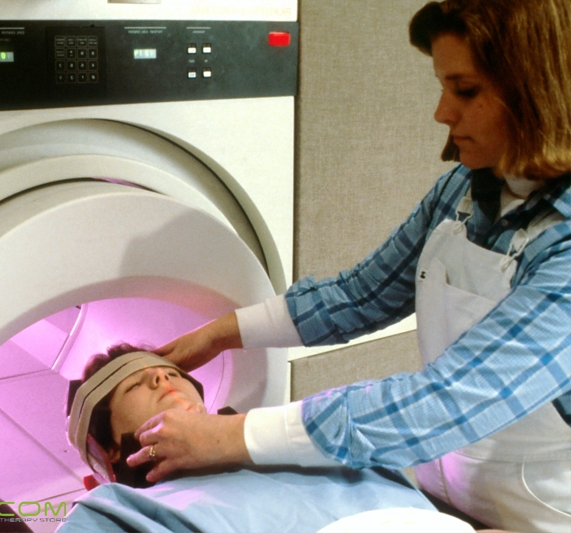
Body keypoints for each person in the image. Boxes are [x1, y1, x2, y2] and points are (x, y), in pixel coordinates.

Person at [125, 1, 571, 532]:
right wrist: (220, 334)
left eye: (465, 90)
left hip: (540, 515)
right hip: (434, 500)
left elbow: (442, 402)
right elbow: (360, 295)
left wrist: (228, 437)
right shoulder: (463, 191)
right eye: (443, 87)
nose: (441, 113)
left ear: (536, 92)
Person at [60, 344, 468, 533]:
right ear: (109, 447)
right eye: (135, 386)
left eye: (172, 374)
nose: (160, 376)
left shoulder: (306, 439)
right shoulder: (123, 509)